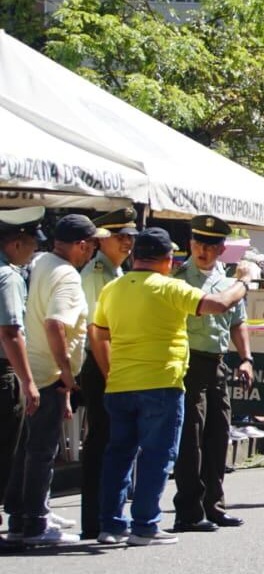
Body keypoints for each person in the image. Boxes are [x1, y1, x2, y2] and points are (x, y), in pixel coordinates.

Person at [90, 228, 246, 546]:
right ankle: (145, 525)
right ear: (168, 259)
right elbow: (217, 305)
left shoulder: (113, 288)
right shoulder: (170, 287)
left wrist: (110, 372)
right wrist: (243, 282)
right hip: (162, 382)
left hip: (119, 383)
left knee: (118, 456)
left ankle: (111, 525)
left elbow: (99, 334)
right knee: (157, 457)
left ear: (135, 256)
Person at [5, 215, 100, 544]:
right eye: (92, 245)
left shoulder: (42, 261)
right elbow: (55, 324)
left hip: (34, 368)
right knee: (42, 451)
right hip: (48, 374)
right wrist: (67, 372)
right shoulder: (68, 276)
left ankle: (24, 515)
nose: (92, 252)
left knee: (29, 451)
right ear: (82, 245)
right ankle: (34, 521)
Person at [171, 214, 252, 532]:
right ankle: (188, 510)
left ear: (221, 249)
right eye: (197, 242)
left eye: (209, 244)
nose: (202, 250)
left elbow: (237, 321)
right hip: (189, 361)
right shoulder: (179, 277)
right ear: (190, 243)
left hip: (217, 362)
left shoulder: (227, 280)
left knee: (219, 433)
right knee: (191, 437)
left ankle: (214, 505)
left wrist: (246, 359)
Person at [76, 207, 136, 540]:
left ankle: (105, 515)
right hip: (101, 364)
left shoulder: (114, 270)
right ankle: (96, 520)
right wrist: (112, 376)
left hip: (112, 363)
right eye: (120, 237)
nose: (127, 242)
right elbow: (98, 333)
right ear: (103, 240)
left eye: (130, 237)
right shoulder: (98, 273)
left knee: (112, 439)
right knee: (103, 441)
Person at [0, 209, 45, 540]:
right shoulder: (9, 276)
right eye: (31, 244)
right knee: (5, 448)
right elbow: (11, 332)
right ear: (16, 243)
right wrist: (28, 381)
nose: (33, 252)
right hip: (3, 371)